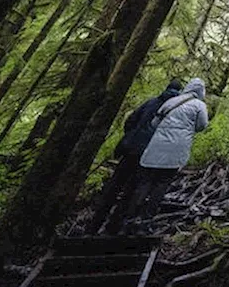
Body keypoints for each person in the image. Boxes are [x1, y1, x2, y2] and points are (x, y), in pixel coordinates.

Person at [87, 78, 183, 235]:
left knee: (114, 186)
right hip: (148, 155)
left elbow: (130, 120)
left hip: (130, 150)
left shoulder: (151, 102)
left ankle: (93, 226)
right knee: (131, 191)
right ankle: (113, 228)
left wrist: (131, 137)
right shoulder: (174, 111)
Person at [121, 77, 209, 234]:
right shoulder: (199, 105)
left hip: (155, 147)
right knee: (161, 184)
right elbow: (202, 125)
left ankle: (129, 219)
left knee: (145, 182)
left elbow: (154, 123)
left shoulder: (172, 102)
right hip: (176, 150)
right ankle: (145, 221)